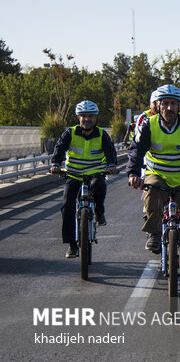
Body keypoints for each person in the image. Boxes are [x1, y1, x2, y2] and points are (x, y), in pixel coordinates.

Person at [127, 84, 180, 292]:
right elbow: (136, 150)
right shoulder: (149, 124)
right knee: (152, 189)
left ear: (179, 106)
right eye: (164, 103)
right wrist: (132, 174)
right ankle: (154, 233)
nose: (169, 107)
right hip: (158, 175)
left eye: (173, 103)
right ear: (157, 106)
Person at [51, 100, 118, 258]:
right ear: (78, 117)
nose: (87, 119)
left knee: (99, 186)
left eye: (90, 116)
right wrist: (55, 164)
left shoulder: (102, 134)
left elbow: (110, 152)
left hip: (95, 172)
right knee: (67, 205)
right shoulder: (70, 133)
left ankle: (99, 212)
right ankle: (72, 245)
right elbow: (59, 148)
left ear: (96, 118)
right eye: (83, 116)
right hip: (73, 174)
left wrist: (112, 165)